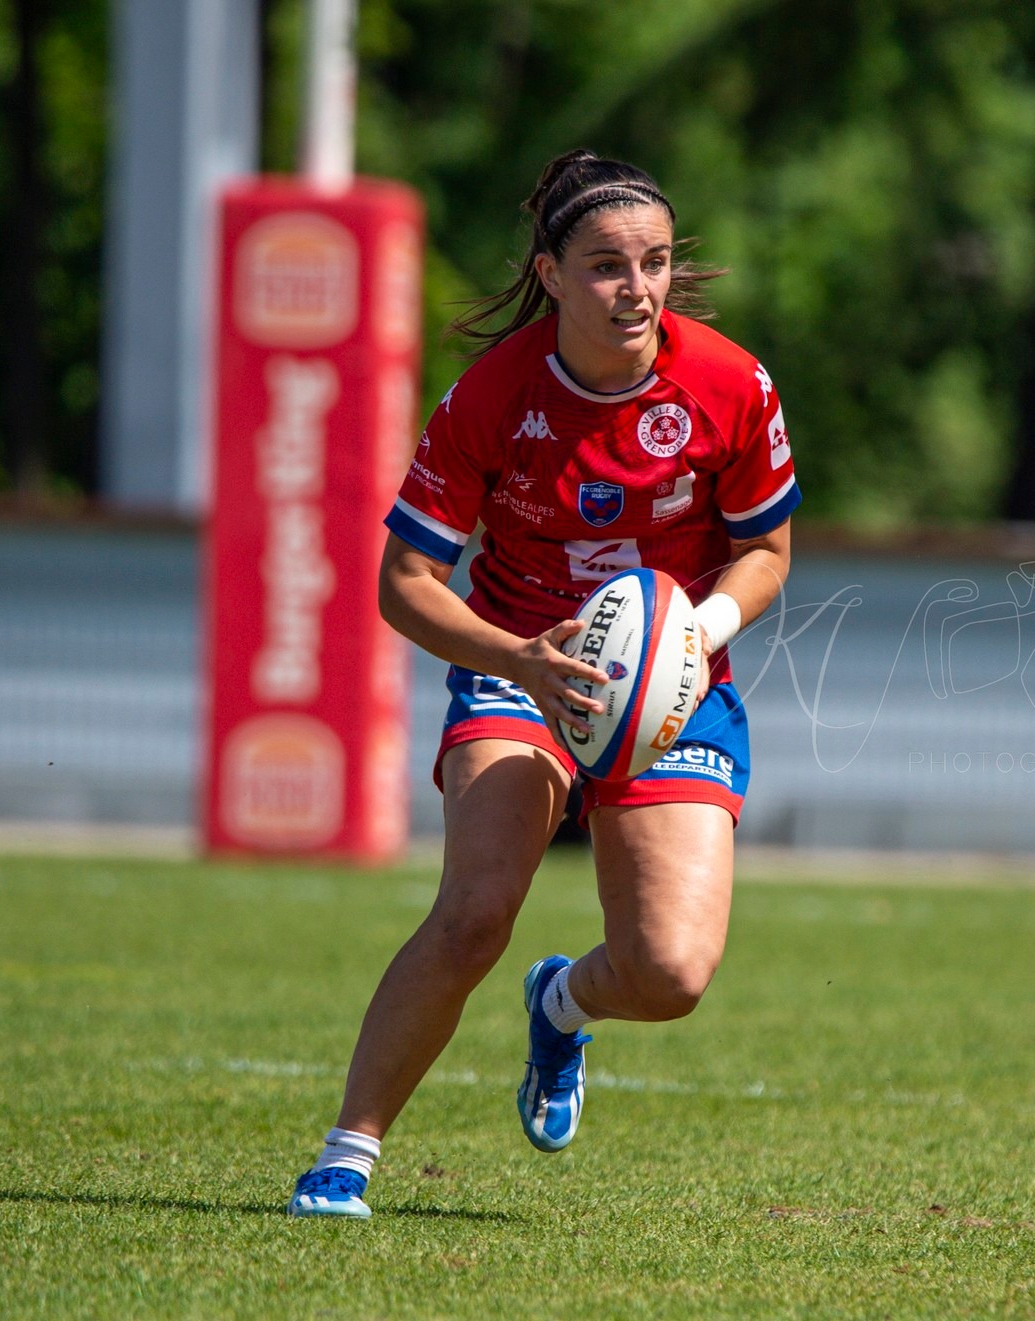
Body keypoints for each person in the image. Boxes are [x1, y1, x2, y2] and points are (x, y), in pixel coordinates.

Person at [286, 150, 801, 1217]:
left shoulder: (730, 382)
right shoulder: (491, 396)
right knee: (475, 911)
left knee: (670, 975)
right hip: (523, 664)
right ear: (552, 274)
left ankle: (560, 1005)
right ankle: (347, 1153)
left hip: (671, 682)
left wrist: (697, 633)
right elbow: (404, 583)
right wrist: (516, 657)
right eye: (609, 266)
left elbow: (768, 552)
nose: (639, 287)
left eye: (655, 262)